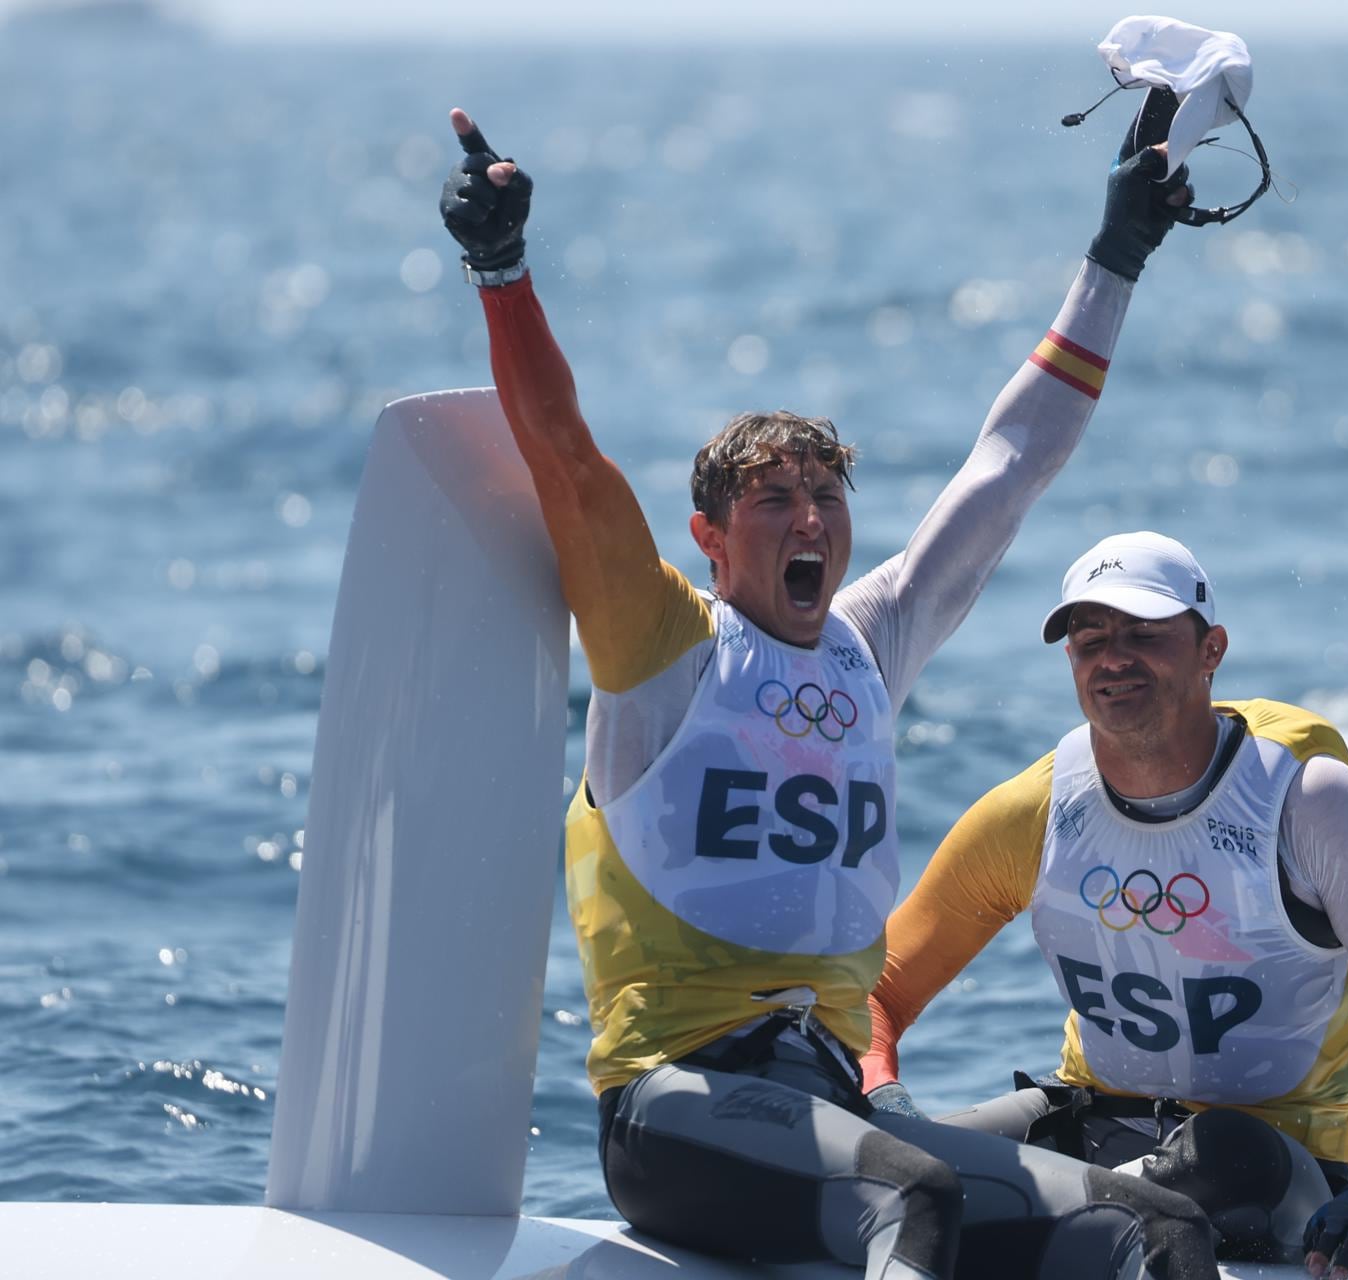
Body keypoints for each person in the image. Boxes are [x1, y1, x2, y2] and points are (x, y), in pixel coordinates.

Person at [438, 102, 1229, 1279]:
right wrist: (501, 269)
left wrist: (1116, 253)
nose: (812, 519)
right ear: (709, 535)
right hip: (677, 1107)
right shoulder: (662, 642)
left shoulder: (871, 643)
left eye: (828, 496)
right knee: (907, 1198)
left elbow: (1013, 462)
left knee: (1155, 1225)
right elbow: (562, 450)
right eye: (775, 498)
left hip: (833, 1105)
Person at [862, 532, 1348, 1280]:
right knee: (903, 1163)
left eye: (1143, 635)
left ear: (1210, 650)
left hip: (1270, 1167)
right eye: (1090, 640)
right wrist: (892, 1117)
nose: (1113, 658)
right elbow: (878, 991)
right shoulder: (1033, 811)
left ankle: (1021, 1226)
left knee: (1223, 1147)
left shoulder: (1310, 804)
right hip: (1087, 1125)